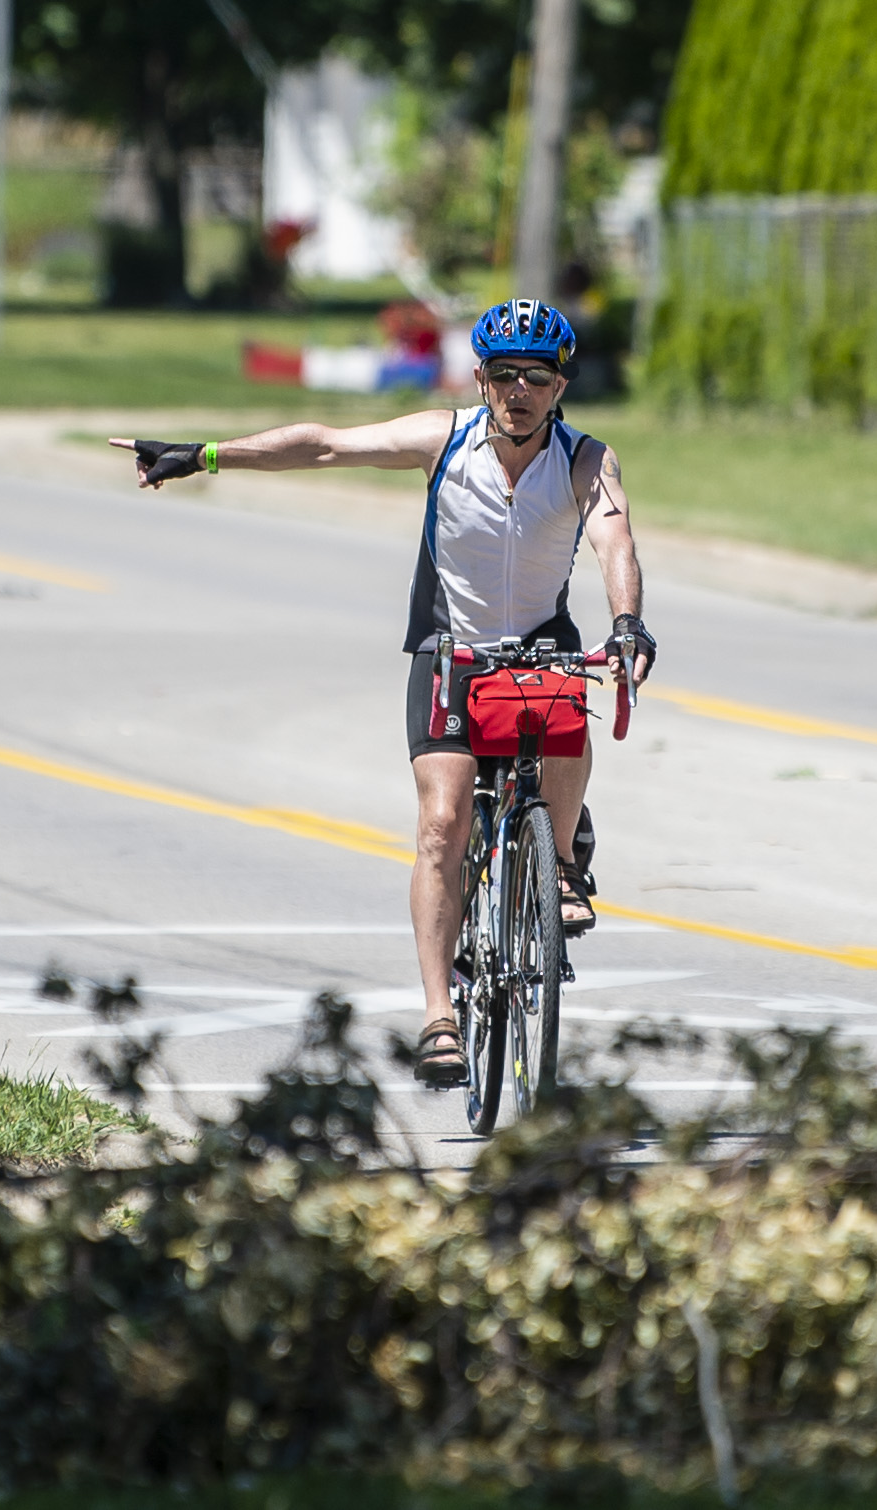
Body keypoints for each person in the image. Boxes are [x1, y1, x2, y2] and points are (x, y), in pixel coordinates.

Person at [109, 299, 655, 1086]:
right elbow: (324, 446)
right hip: (448, 649)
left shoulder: (584, 459)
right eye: (504, 376)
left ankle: (562, 864)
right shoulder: (444, 439)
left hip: (539, 644)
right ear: (479, 379)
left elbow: (615, 539)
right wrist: (206, 455)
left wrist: (629, 622)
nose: (519, 392)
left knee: (567, 715)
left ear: (561, 385)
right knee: (443, 824)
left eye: (537, 377)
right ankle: (439, 1015)